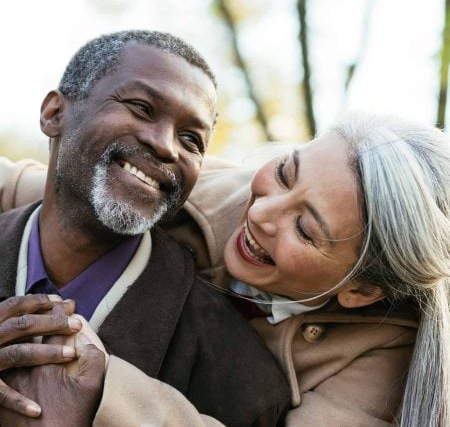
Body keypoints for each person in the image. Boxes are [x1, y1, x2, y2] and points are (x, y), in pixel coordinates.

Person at [0, 114, 448, 426]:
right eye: (287, 173)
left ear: (363, 291)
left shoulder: (385, 357)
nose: (261, 214)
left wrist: (105, 390)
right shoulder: (203, 189)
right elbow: (28, 187)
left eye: (306, 229)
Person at [0, 30, 292, 426]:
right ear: (55, 114)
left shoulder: (240, 375)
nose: (167, 147)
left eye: (192, 139)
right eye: (141, 107)